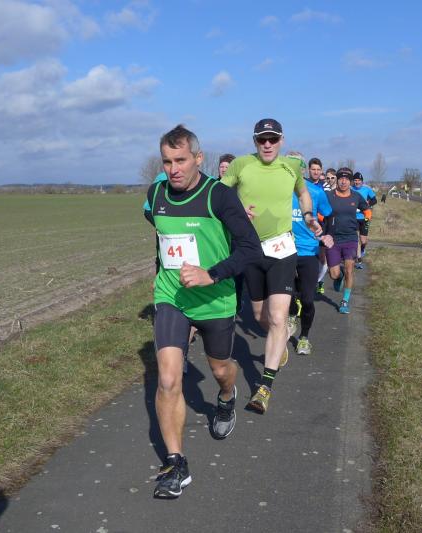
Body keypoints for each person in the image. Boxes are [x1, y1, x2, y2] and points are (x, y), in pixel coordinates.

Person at [145, 125, 261, 499]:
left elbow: (250, 249)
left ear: (198, 158)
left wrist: (211, 274)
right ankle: (175, 463)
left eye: (180, 160)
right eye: (167, 161)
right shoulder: (156, 194)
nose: (173, 169)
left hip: (215, 300)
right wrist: (164, 274)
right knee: (167, 379)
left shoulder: (219, 196)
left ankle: (226, 398)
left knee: (220, 369)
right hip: (172, 297)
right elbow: (163, 238)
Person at [221, 118, 322, 414]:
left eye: (272, 139)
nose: (267, 144)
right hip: (250, 250)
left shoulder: (291, 167)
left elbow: (303, 193)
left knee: (278, 318)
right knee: (259, 315)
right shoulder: (241, 165)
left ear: (281, 140)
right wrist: (237, 212)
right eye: (261, 139)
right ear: (254, 141)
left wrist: (308, 215)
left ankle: (264, 387)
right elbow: (219, 197)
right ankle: (281, 339)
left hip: (282, 249)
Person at [285, 152, 333, 355]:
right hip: (284, 249)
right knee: (285, 295)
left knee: (307, 298)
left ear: (302, 169)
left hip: (308, 249)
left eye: (297, 165)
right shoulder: (278, 190)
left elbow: (328, 215)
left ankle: (304, 337)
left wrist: (325, 237)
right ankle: (291, 314)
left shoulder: (315, 192)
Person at [323, 168, 369, 314]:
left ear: (350, 181)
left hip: (350, 238)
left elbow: (367, 210)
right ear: (337, 180)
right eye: (341, 179)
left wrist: (366, 220)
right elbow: (319, 210)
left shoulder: (356, 196)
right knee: (333, 274)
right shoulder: (328, 195)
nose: (343, 181)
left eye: (347, 179)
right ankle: (340, 276)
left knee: (350, 268)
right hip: (333, 239)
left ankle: (345, 301)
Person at [316, 167, 338, 293]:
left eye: (331, 178)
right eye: (327, 178)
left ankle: (319, 281)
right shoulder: (320, 188)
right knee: (319, 256)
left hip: (331, 225)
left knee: (325, 257)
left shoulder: (338, 190)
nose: (329, 180)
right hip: (318, 224)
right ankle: (318, 280)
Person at [350, 172, 377, 269]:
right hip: (354, 217)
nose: (357, 182)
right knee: (356, 238)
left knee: (363, 240)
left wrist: (367, 203)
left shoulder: (367, 189)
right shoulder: (350, 189)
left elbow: (374, 200)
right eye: (355, 180)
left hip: (365, 217)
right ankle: (359, 258)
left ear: (362, 181)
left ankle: (362, 249)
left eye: (359, 180)